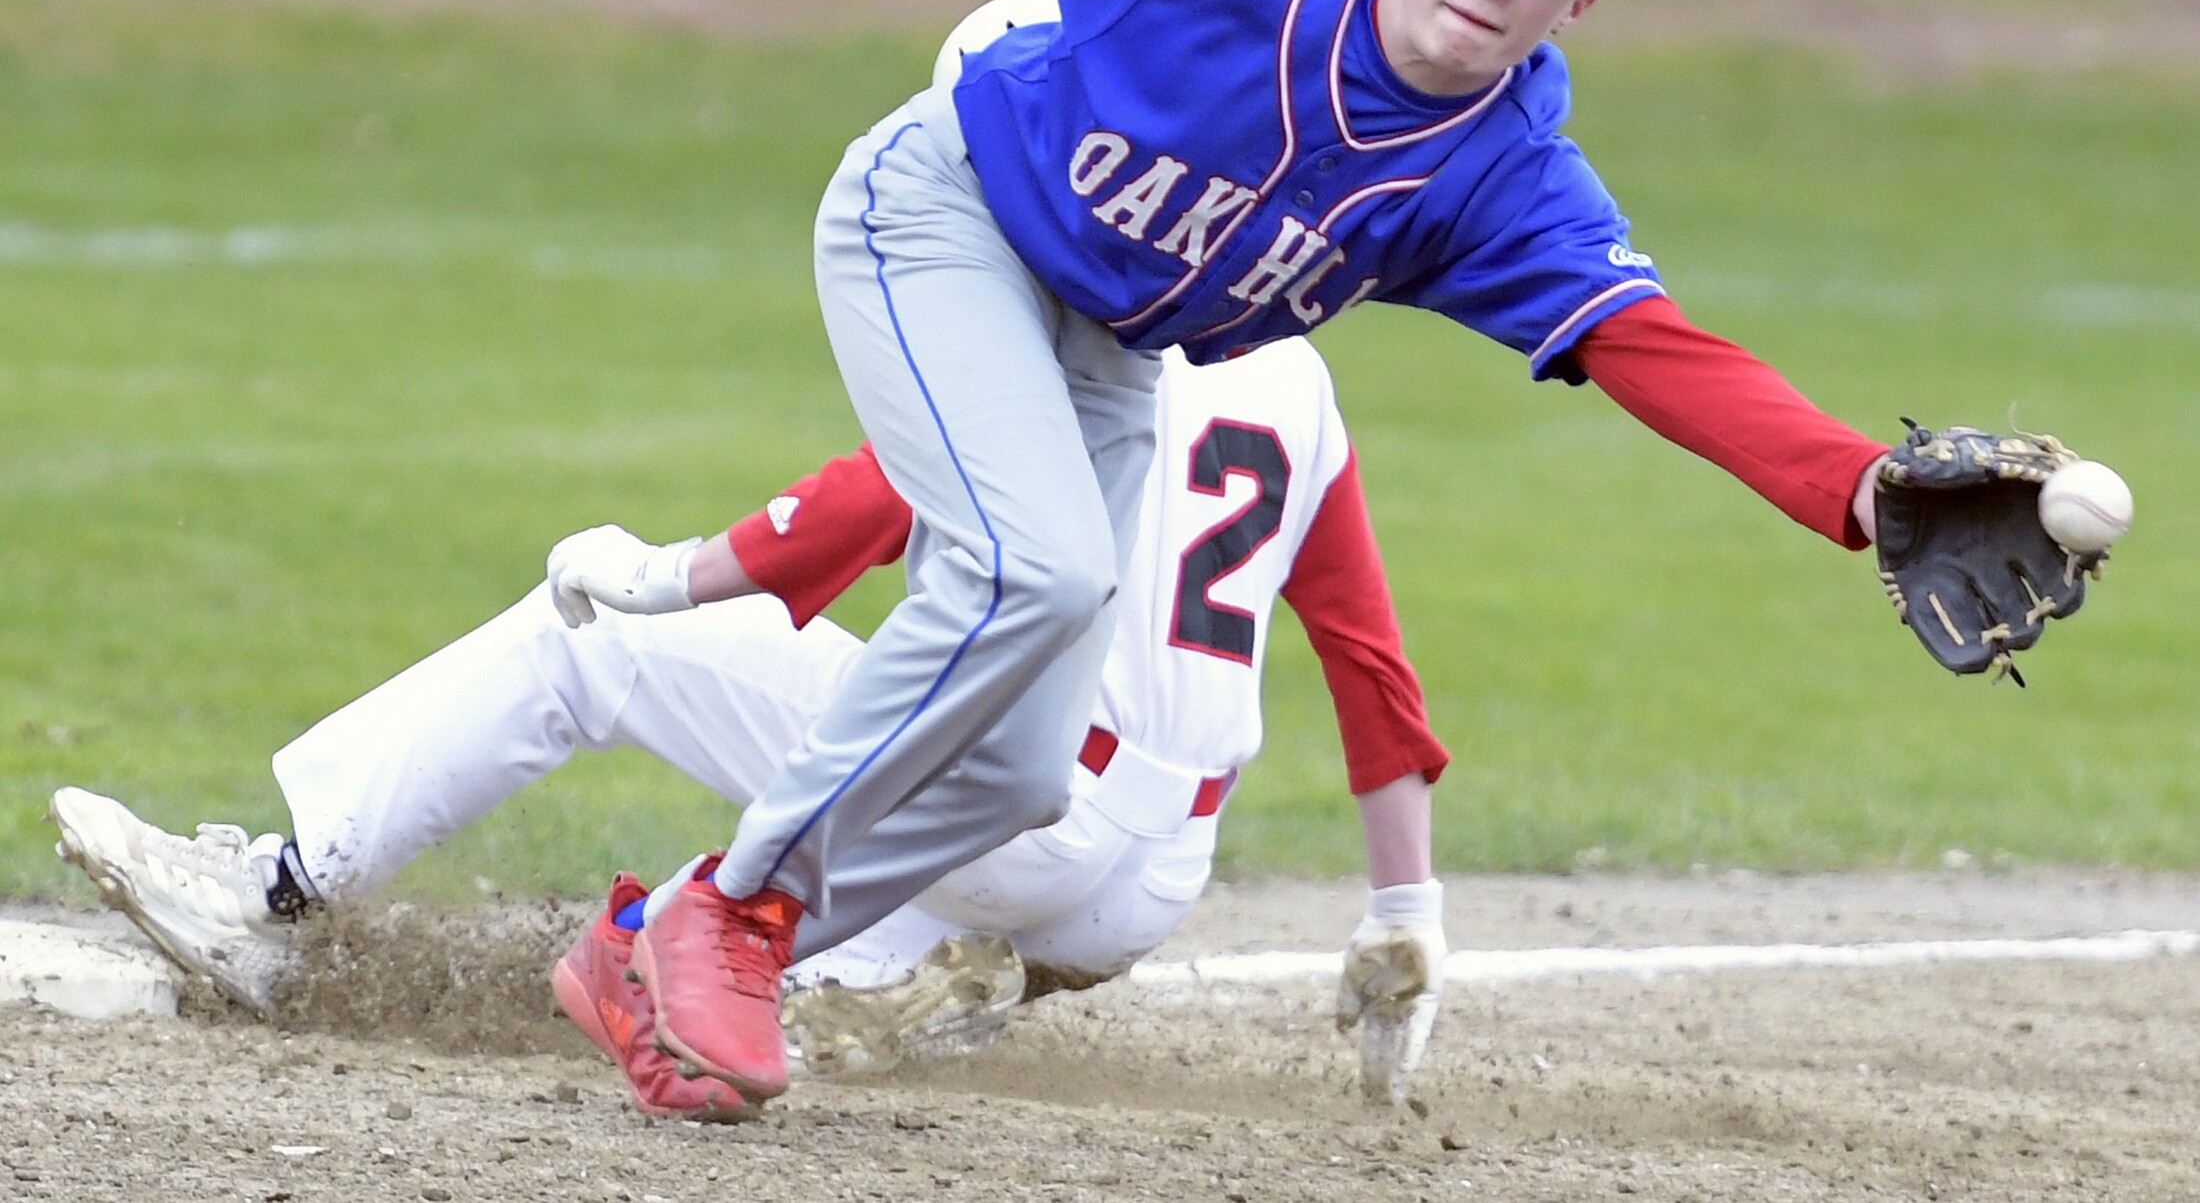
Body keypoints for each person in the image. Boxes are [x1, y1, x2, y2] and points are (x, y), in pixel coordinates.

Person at [606, 0, 1894, 1112]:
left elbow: (1657, 351)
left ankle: (648, 946)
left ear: (1579, 8)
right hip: (942, 212)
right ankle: (731, 917)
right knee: (1043, 568)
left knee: (1020, 773)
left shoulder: (1504, 177)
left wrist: (1863, 492)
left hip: (1104, 339)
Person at [52, 107, 1450, 1118]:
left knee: (590, 646)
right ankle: (915, 981)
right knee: (922, 798)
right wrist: (1405, 909)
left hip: (1014, 808)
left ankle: (273, 895)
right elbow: (1368, 664)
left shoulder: (1111, 313)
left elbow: (881, 500)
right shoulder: (1306, 386)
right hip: (1149, 884)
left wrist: (671, 574)